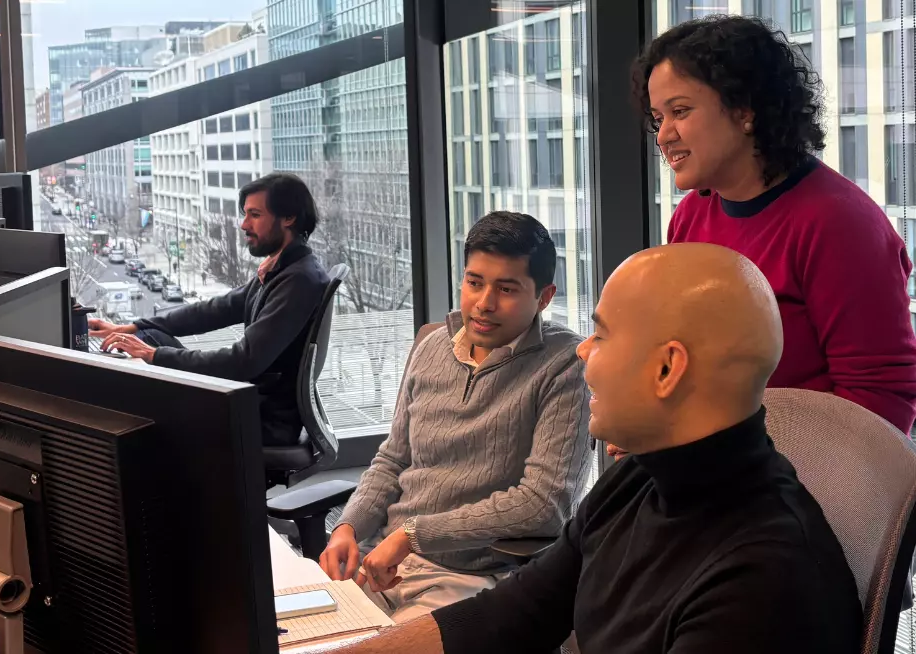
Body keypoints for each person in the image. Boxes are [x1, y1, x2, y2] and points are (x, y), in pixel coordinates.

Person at [326, 243, 861, 654]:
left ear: (667, 369)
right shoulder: (639, 479)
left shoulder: (761, 581)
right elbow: (514, 613)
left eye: (601, 336)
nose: (583, 350)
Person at [632, 15, 916, 439]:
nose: (663, 136)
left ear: (745, 110)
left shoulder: (839, 224)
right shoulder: (691, 215)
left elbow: (880, 400)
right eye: (659, 117)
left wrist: (781, 475)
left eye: (681, 111)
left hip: (802, 470)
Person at [319, 211, 591, 624]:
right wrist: (349, 527)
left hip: (476, 576)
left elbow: (544, 504)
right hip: (383, 562)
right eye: (474, 282)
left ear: (544, 297)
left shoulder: (565, 364)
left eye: (506, 289)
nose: (484, 303)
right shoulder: (433, 346)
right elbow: (393, 460)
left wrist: (414, 535)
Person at [88, 172, 329, 446]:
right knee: (149, 336)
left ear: (289, 218)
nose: (244, 224)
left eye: (255, 215)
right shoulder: (281, 269)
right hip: (250, 400)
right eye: (245, 214)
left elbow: (242, 360)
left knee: (140, 403)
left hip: (261, 418)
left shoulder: (298, 280)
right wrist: (134, 327)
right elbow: (215, 310)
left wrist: (153, 355)